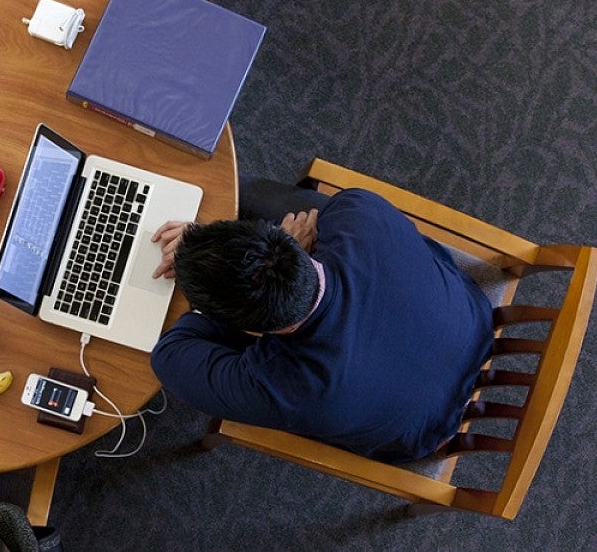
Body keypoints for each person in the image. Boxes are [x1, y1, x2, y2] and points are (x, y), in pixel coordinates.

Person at [148, 177, 494, 462]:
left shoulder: (289, 387)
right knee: (253, 193)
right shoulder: (360, 212)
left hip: (423, 427)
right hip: (468, 323)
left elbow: (170, 355)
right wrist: (284, 245)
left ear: (253, 331)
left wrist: (203, 306)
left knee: (245, 194)